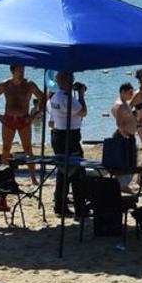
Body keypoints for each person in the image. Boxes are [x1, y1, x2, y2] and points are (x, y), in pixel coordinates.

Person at [47, 73, 88, 218]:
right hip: (69, 136)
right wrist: (81, 95)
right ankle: (79, 207)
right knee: (77, 173)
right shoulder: (66, 98)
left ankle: (60, 205)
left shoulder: (54, 97)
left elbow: (50, 122)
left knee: (63, 172)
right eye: (70, 80)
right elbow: (84, 112)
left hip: (58, 134)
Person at [0, 66, 41, 158]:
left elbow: (43, 99)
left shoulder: (29, 84)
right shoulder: (5, 84)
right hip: (8, 120)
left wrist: (34, 115)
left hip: (24, 120)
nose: (22, 72)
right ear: (13, 71)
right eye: (19, 70)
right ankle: (3, 172)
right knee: (6, 148)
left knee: (28, 149)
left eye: (23, 69)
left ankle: (32, 173)